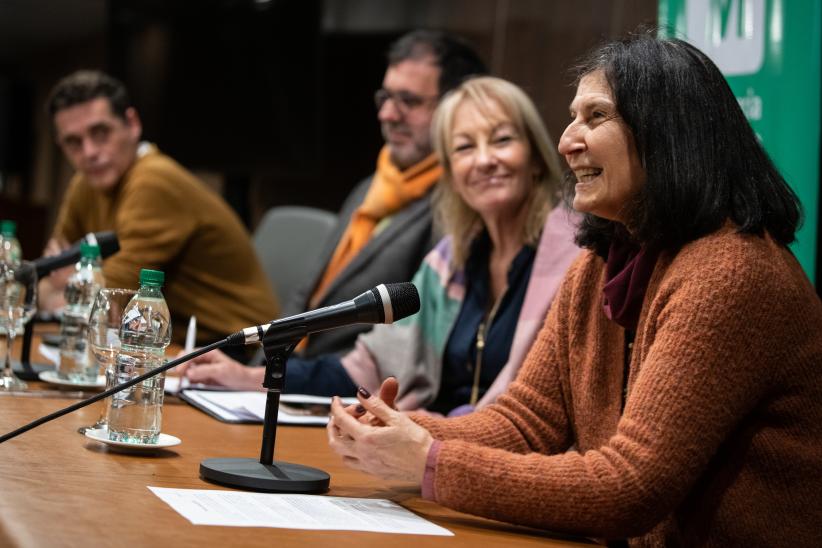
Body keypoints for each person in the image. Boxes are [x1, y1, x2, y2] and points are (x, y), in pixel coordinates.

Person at [326, 33, 822, 545]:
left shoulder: (731, 271)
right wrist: (401, 430)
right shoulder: (601, 261)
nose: (566, 140)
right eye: (572, 117)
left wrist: (431, 460)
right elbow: (527, 423)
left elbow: (630, 487)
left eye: (596, 117)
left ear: (667, 133)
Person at [181, 76, 582, 414]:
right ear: (451, 173)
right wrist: (255, 377)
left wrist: (429, 438)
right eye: (464, 147)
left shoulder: (575, 258)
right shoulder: (451, 264)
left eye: (502, 140)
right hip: (432, 454)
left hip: (490, 462)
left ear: (535, 157)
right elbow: (369, 367)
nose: (483, 160)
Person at [41, 70, 279, 346]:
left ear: (132, 123)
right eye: (73, 142)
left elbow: (109, 300)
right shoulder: (85, 184)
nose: (90, 152)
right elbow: (48, 281)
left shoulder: (154, 180)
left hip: (236, 347)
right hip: (163, 340)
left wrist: (69, 284)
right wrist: (66, 287)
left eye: (100, 132)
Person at [289, 29, 488, 358]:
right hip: (286, 380)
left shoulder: (459, 206)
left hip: (348, 390)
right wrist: (254, 370)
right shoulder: (370, 186)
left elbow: (410, 344)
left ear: (457, 109)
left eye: (408, 101)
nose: (388, 115)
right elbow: (307, 298)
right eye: (385, 98)